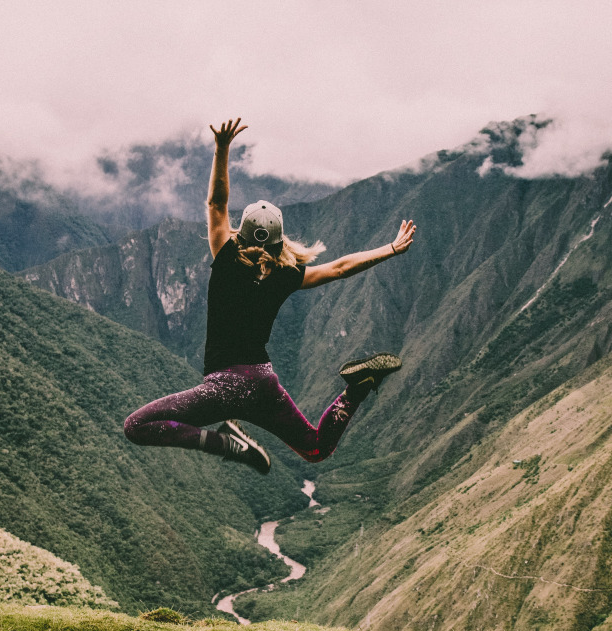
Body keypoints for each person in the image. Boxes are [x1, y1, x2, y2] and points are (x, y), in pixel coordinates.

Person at [123, 118, 416, 473]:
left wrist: (222, 148)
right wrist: (391, 248)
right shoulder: (286, 274)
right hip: (263, 383)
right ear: (280, 240)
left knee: (136, 427)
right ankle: (355, 389)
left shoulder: (227, 258)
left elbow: (217, 203)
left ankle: (225, 443)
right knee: (316, 448)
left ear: (240, 233)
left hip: (224, 387)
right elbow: (339, 268)